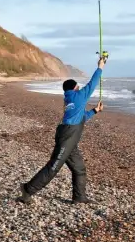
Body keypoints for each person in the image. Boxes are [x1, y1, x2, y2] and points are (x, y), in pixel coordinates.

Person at [18, 57, 106, 204]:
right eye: (78, 86)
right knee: (53, 167)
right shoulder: (78, 96)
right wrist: (100, 67)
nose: (79, 88)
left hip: (69, 137)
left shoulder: (71, 99)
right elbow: (92, 84)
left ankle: (79, 197)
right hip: (67, 137)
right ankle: (27, 189)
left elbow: (82, 117)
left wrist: (95, 110)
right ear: (74, 88)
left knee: (79, 169)